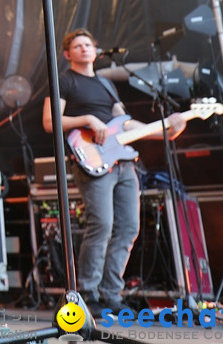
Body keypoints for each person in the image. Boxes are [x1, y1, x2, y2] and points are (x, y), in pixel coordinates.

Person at [42, 28, 187, 311]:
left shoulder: (107, 85)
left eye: (88, 44)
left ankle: (112, 294)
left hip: (123, 164)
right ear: (67, 54)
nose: (84, 48)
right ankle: (87, 293)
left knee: (129, 228)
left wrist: (166, 130)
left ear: (96, 51)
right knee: (102, 226)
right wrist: (88, 118)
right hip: (93, 162)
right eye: (78, 45)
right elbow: (50, 122)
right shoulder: (64, 81)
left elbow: (126, 125)